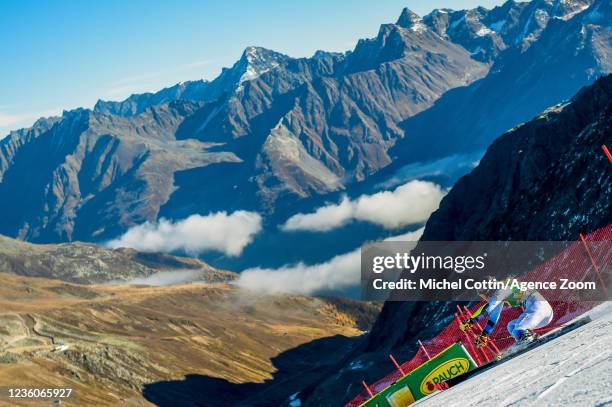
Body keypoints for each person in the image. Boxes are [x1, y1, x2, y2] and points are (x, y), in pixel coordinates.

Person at [462, 284, 554, 347]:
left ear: (487, 291)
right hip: (540, 314)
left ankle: (527, 338)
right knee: (511, 326)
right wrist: (484, 335)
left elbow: (490, 308)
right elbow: (493, 317)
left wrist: (472, 321)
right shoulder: (499, 296)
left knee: (518, 329)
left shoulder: (501, 290)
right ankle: (526, 339)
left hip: (539, 308)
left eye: (482, 295)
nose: (484, 298)